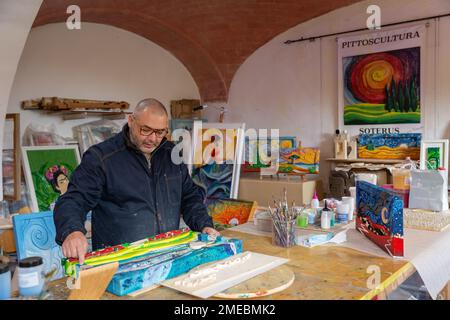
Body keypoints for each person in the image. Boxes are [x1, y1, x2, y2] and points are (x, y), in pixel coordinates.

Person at [54, 98, 219, 264]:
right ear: (131, 121)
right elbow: (73, 200)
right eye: (146, 130)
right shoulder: (102, 158)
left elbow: (189, 196)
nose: (153, 139)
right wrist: (72, 231)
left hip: (167, 255)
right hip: (119, 263)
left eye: (160, 132)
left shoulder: (171, 155)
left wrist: (204, 224)